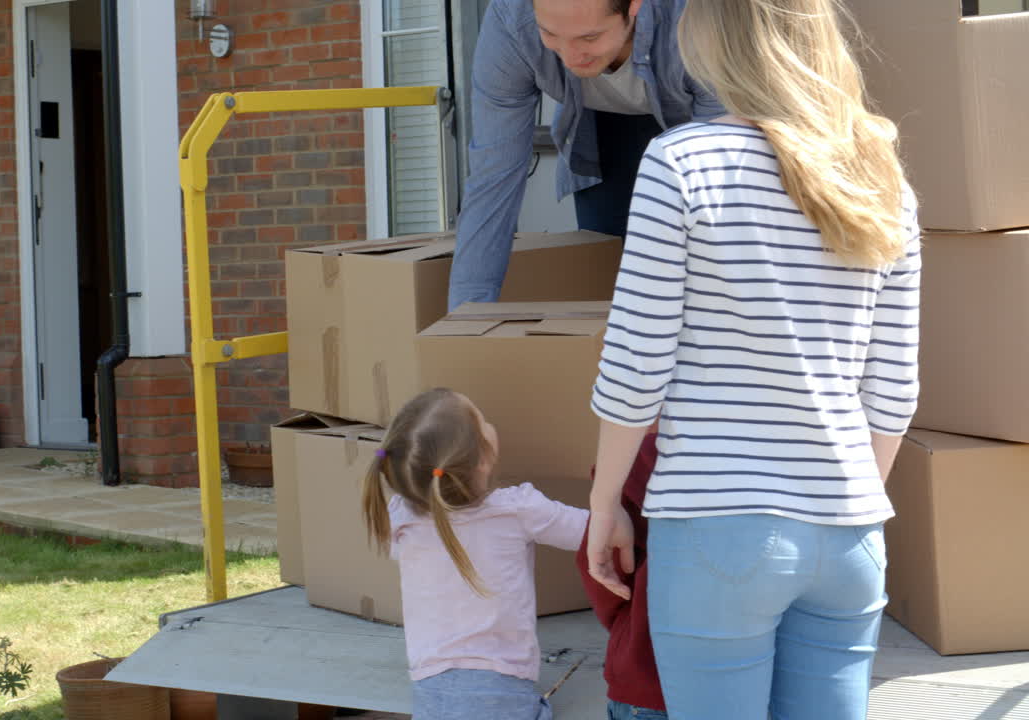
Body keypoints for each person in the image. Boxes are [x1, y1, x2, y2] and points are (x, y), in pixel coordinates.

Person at [584, 0, 921, 717]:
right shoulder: (882, 178)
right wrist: (842, 503)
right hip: (850, 531)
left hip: (716, 527)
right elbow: (893, 389)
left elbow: (636, 368)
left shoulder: (680, 162)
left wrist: (605, 502)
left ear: (711, 37)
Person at [448, 0, 725, 311]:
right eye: (550, 34)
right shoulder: (512, 21)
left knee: (700, 274)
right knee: (611, 278)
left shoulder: (700, 17)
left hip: (697, 119)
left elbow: (719, 189)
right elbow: (492, 178)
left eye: (589, 37)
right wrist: (467, 317)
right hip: (598, 130)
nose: (570, 58)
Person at [362, 387, 587, 720]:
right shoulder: (518, 509)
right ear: (482, 458)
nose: (489, 423)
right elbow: (591, 533)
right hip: (502, 689)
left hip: (430, 690)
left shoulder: (400, 517)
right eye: (483, 421)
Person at [575, 431, 667, 720]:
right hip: (750, 678)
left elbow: (605, 577)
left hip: (648, 677)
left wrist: (628, 626)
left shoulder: (638, 461)